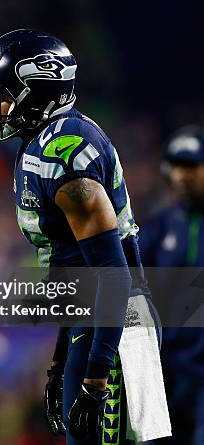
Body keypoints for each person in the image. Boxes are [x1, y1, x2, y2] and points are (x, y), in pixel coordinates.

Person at [0, 29, 168, 444]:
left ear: (36, 93)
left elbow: (113, 278)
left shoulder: (65, 155)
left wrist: (94, 380)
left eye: (0, 93)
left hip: (118, 323)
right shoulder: (41, 143)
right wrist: (60, 362)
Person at [138, 126, 204, 445]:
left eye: (191, 166)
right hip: (164, 370)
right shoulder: (162, 225)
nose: (182, 176)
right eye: (176, 167)